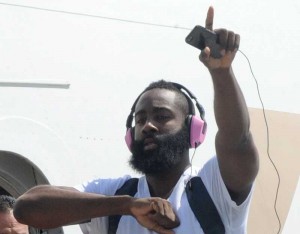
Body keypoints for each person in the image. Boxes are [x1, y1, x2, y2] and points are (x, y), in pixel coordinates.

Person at [13, 6, 259, 234]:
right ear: (130, 137)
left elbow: (237, 140)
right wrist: (126, 206)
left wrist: (221, 72)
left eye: (162, 116)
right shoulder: (117, 195)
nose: (148, 126)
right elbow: (26, 208)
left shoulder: (212, 187)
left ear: (193, 130)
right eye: (140, 120)